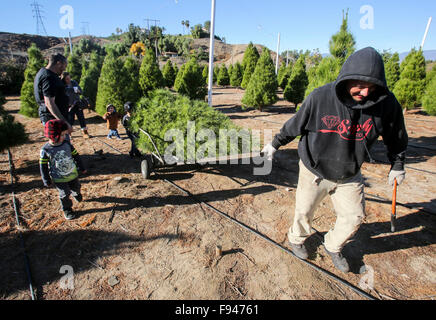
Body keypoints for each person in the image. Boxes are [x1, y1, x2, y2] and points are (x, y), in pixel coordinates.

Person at [262, 47, 408, 273]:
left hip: (349, 172)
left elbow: (396, 136)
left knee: (354, 216)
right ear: (347, 78)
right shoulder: (321, 97)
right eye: (359, 85)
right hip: (315, 169)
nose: (365, 92)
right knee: (304, 211)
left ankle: (332, 245)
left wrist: (397, 165)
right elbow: (295, 124)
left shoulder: (386, 105)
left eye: (372, 87)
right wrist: (274, 144)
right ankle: (297, 238)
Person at [39, 120, 86, 220]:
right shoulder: (46, 150)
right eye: (62, 135)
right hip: (59, 178)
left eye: (65, 134)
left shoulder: (67, 145)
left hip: (72, 174)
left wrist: (82, 167)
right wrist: (46, 179)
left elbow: (76, 156)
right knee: (64, 194)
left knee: (76, 186)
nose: (65, 137)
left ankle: (76, 193)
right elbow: (43, 166)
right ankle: (67, 209)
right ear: (54, 136)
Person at [34, 54, 72, 134]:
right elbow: (49, 102)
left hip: (54, 118)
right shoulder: (49, 77)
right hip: (54, 121)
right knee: (60, 144)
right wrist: (64, 122)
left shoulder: (44, 72)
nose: (65, 68)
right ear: (58, 63)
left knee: (63, 145)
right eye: (65, 65)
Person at [61, 72, 90, 138]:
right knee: (70, 119)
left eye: (69, 78)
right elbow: (64, 91)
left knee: (81, 118)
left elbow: (80, 91)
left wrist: (78, 91)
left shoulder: (73, 82)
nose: (69, 80)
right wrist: (72, 89)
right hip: (69, 105)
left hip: (77, 103)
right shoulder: (62, 85)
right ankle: (68, 134)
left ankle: (85, 132)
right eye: (67, 79)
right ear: (63, 79)